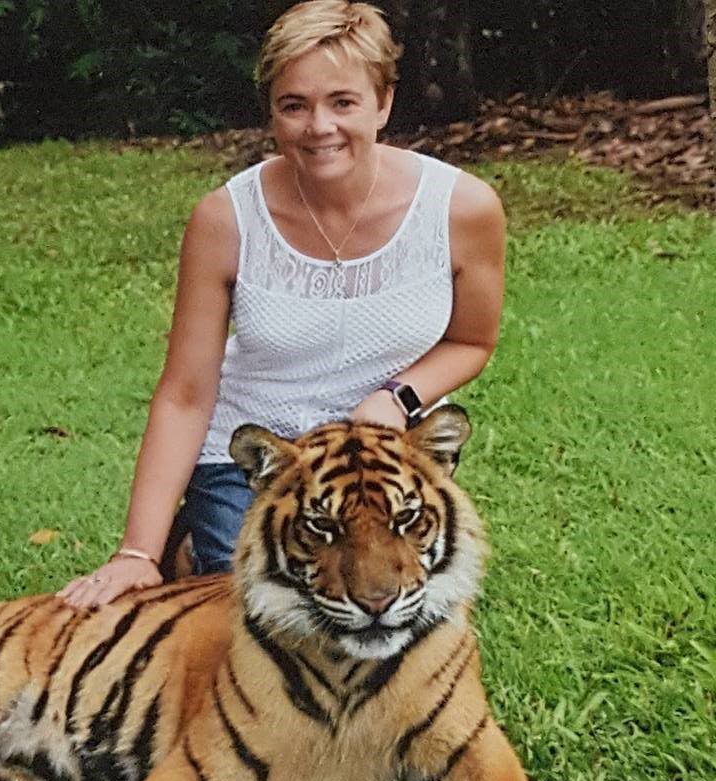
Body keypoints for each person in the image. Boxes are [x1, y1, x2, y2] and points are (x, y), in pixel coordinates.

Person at [58, 0, 505, 610]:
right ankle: (193, 545)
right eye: (294, 105)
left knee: (384, 614)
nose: (318, 126)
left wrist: (396, 397)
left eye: (342, 102)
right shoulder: (225, 218)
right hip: (254, 455)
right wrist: (136, 553)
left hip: (380, 459)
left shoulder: (463, 208)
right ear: (273, 111)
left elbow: (472, 342)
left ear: (384, 103)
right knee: (254, 616)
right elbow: (186, 393)